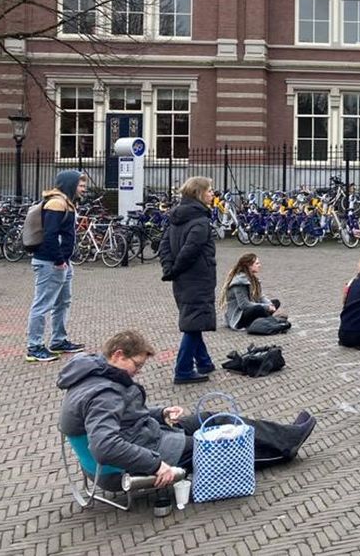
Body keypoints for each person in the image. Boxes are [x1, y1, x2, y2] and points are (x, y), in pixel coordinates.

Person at [58, 330, 316, 488]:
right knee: (216, 445)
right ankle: (284, 449)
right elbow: (105, 447)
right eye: (136, 365)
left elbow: (123, 418)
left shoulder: (94, 372)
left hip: (145, 435)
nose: (138, 372)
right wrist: (156, 466)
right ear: (118, 355)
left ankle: (287, 434)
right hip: (136, 458)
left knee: (210, 417)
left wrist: (159, 413)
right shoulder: (104, 394)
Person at [159, 176, 218, 384]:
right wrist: (174, 269)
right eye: (210, 190)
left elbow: (164, 245)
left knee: (194, 319)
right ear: (199, 194)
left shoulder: (176, 218)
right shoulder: (200, 221)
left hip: (182, 280)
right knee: (193, 324)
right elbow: (190, 250)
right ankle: (183, 370)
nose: (212, 194)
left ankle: (204, 362)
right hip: (197, 279)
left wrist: (170, 269)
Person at [26, 170, 88, 363]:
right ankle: (34, 347)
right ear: (70, 184)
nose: (84, 188)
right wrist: (59, 260)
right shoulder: (56, 203)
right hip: (51, 263)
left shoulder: (66, 203)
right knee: (43, 304)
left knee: (63, 302)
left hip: (62, 263)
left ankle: (58, 340)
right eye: (80, 184)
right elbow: (50, 235)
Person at [221, 253, 283, 330]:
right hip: (239, 317)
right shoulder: (239, 282)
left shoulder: (253, 279)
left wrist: (270, 305)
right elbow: (244, 305)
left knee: (276, 302)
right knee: (259, 308)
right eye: (257, 263)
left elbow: (260, 296)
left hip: (251, 308)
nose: (259, 265)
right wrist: (266, 307)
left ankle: (267, 318)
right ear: (249, 266)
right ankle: (271, 319)